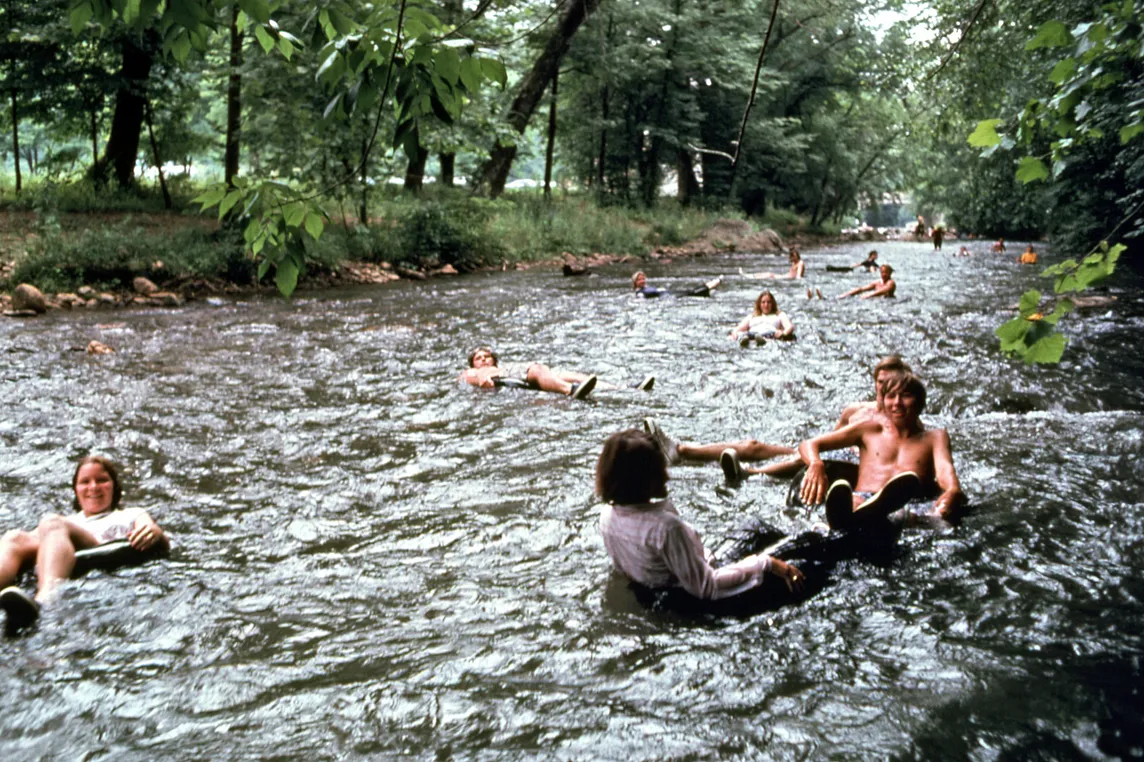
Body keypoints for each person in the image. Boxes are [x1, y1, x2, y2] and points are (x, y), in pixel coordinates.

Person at [596, 428, 804, 601]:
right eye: (659, 472)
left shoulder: (607, 516)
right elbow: (707, 587)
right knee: (796, 557)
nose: (667, 477)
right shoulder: (666, 528)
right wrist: (768, 564)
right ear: (639, 480)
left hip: (659, 591)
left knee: (754, 527)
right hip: (694, 599)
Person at [0, 456, 168, 633]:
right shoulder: (66, 522)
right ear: (76, 490)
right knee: (14, 537)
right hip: (60, 547)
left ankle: (45, 600)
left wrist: (155, 532)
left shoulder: (130, 513)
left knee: (52, 521)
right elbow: (28, 541)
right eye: (85, 482)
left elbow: (152, 531)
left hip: (97, 550)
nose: (93, 487)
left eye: (102, 480)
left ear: (114, 487)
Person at [797, 373, 966, 525]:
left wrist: (951, 493)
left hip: (909, 506)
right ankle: (837, 524)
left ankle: (852, 523)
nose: (897, 403)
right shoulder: (868, 429)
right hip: (863, 500)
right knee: (854, 502)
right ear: (883, 403)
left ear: (919, 402)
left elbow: (946, 474)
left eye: (905, 396)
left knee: (910, 515)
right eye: (891, 397)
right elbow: (809, 444)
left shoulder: (934, 437)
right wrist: (815, 464)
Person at [460, 347, 654, 398]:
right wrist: (483, 378)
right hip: (511, 379)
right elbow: (470, 377)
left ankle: (622, 388)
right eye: (479, 357)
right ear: (473, 363)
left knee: (573, 374)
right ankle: (570, 391)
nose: (484, 359)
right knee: (537, 368)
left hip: (514, 375)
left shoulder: (500, 366)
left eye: (487, 356)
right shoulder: (471, 372)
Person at [730, 290, 795, 347]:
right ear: (759, 304)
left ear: (772, 304)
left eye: (769, 302)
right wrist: (735, 335)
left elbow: (789, 326)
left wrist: (783, 334)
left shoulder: (779, 315)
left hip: (770, 334)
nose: (766, 305)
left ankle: (762, 341)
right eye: (763, 302)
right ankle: (744, 341)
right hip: (752, 334)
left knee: (766, 337)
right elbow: (737, 329)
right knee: (741, 334)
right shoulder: (752, 316)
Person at [631, 271, 722, 298]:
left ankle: (712, 283)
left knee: (689, 291)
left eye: (643, 278)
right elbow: (641, 302)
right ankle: (714, 283)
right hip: (668, 296)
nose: (642, 281)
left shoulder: (647, 287)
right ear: (635, 282)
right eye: (639, 280)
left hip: (668, 293)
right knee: (691, 293)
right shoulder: (640, 293)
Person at [740, 249, 805, 280]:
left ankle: (752, 277)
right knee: (769, 273)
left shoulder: (800, 263)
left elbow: (798, 275)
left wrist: (799, 280)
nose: (792, 258)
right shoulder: (794, 262)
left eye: (793, 256)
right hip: (785, 276)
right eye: (791, 257)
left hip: (787, 278)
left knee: (769, 275)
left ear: (797, 256)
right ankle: (752, 275)